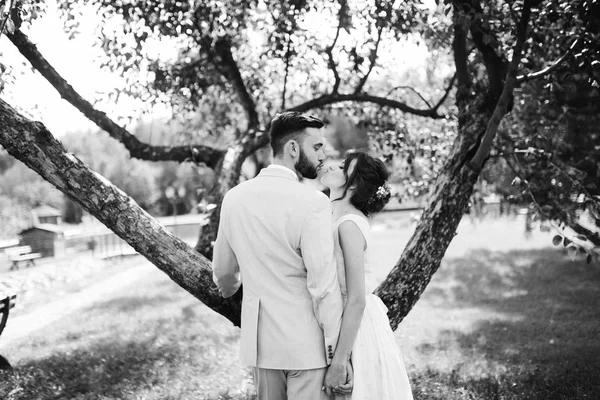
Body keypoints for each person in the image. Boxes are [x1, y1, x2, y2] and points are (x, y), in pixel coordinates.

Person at [212, 112, 350, 399]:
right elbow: (324, 288)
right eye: (316, 147)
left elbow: (224, 274)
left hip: (261, 349)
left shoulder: (234, 199)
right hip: (307, 349)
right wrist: (338, 355)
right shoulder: (313, 202)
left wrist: (237, 291)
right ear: (292, 149)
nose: (322, 155)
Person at [320, 150, 414, 400]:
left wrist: (340, 361)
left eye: (342, 167)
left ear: (353, 185)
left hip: (357, 326)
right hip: (336, 317)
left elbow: (357, 298)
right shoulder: (332, 215)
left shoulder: (349, 224)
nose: (331, 167)